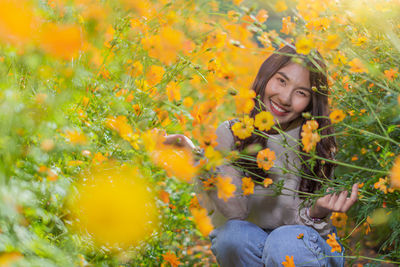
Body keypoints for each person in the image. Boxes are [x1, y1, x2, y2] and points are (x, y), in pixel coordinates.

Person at [164, 44, 358, 266]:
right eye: (281, 81)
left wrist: (317, 211)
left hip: (308, 249)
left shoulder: (316, 141)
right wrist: (195, 157)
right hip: (254, 244)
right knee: (233, 236)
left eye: (301, 92)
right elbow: (236, 211)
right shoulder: (232, 133)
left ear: (312, 102)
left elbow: (300, 221)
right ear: (265, 78)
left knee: (285, 242)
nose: (285, 98)